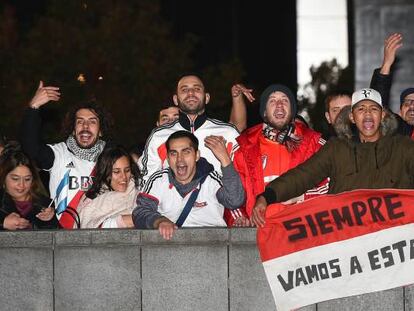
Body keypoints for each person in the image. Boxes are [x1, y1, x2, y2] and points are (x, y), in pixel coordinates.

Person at [251, 88, 414, 227]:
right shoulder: (337, 148)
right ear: (352, 117)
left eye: (373, 109)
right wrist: (268, 196)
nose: (367, 114)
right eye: (361, 109)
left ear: (383, 115)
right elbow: (304, 175)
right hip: (349, 237)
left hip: (391, 242)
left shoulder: (403, 147)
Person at [230, 84, 328, 226]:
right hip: (258, 233)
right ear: (264, 112)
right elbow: (232, 190)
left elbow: (333, 185)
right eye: (272, 101)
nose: (279, 104)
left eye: (284, 100)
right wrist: (239, 217)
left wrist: (300, 197)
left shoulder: (315, 143)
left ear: (292, 111)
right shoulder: (244, 147)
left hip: (302, 231)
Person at [20, 81, 113, 228]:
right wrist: (33, 108)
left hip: (103, 237)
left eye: (92, 122)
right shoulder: (59, 154)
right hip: (63, 238)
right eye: (80, 122)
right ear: (73, 129)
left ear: (101, 131)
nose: (85, 126)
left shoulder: (112, 159)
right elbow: (30, 148)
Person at [133, 131, 245, 239]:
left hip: (212, 247)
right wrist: (159, 221)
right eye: (173, 153)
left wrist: (225, 159)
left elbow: (235, 201)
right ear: (167, 158)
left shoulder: (212, 180)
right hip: (170, 247)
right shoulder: (158, 180)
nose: (179, 159)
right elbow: (140, 212)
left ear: (197, 155)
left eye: (186, 152)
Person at [138, 74, 241, 186]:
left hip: (218, 202)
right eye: (184, 89)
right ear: (176, 99)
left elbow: (242, 177)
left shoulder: (228, 133)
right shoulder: (159, 135)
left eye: (197, 89)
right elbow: (145, 179)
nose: (191, 93)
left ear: (207, 98)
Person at [77, 145, 140, 228]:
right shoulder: (92, 199)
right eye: (116, 172)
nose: (124, 176)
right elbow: (86, 231)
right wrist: (120, 221)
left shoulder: (141, 193)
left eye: (127, 170)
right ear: (105, 173)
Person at [0, 146, 58, 230]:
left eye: (27, 179)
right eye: (15, 179)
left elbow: (55, 238)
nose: (21, 185)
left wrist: (50, 220)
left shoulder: (45, 204)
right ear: (4, 177)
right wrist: (3, 223)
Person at [369, 33, 414, 135]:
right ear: (400, 113)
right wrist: (386, 64)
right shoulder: (400, 133)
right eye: (407, 103)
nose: (412, 106)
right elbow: (377, 107)